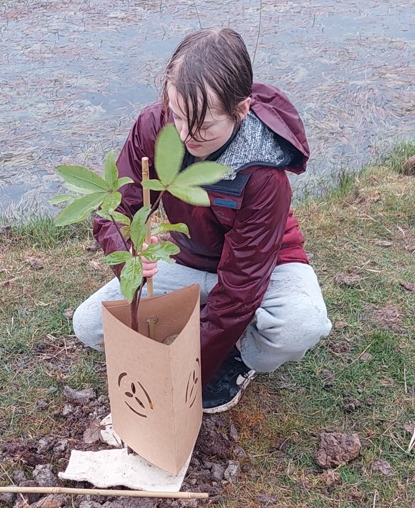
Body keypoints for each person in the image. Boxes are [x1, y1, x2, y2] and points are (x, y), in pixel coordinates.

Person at [72, 27, 331, 413]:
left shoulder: (264, 175)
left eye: (204, 126)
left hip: (266, 268)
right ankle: (207, 327)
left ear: (240, 110)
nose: (186, 135)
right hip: (188, 260)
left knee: (298, 326)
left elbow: (242, 287)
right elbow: (114, 209)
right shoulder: (153, 126)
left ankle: (239, 354)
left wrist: (185, 371)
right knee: (90, 324)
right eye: (177, 116)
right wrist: (129, 248)